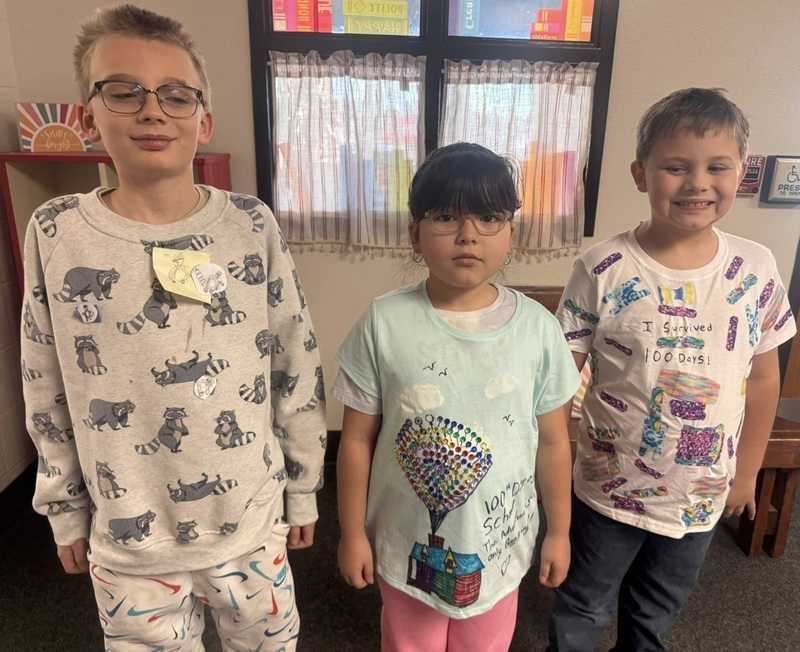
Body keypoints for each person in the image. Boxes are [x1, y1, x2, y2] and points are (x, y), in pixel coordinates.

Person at [20, 5, 326, 650]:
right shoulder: (55, 230)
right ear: (87, 115)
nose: (152, 111)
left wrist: (303, 489)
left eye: (176, 95)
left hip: (249, 524)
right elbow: (42, 376)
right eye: (124, 92)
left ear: (202, 117)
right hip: (131, 537)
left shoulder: (250, 223)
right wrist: (64, 508)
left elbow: (294, 361)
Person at [548, 87, 796, 651]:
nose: (697, 183)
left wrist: (747, 473)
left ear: (742, 172)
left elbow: (762, 380)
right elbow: (562, 376)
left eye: (716, 167)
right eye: (676, 167)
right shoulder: (602, 267)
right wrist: (552, 462)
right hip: (606, 486)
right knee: (584, 603)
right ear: (641, 174)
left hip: (701, 489)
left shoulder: (755, 268)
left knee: (656, 610)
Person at [332, 142, 581, 651]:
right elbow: (355, 442)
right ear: (414, 235)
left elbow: (553, 442)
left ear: (511, 231)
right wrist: (352, 531)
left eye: (489, 216)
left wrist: (560, 530)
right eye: (446, 216)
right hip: (403, 542)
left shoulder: (539, 330)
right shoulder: (383, 322)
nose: (468, 234)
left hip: (501, 543)